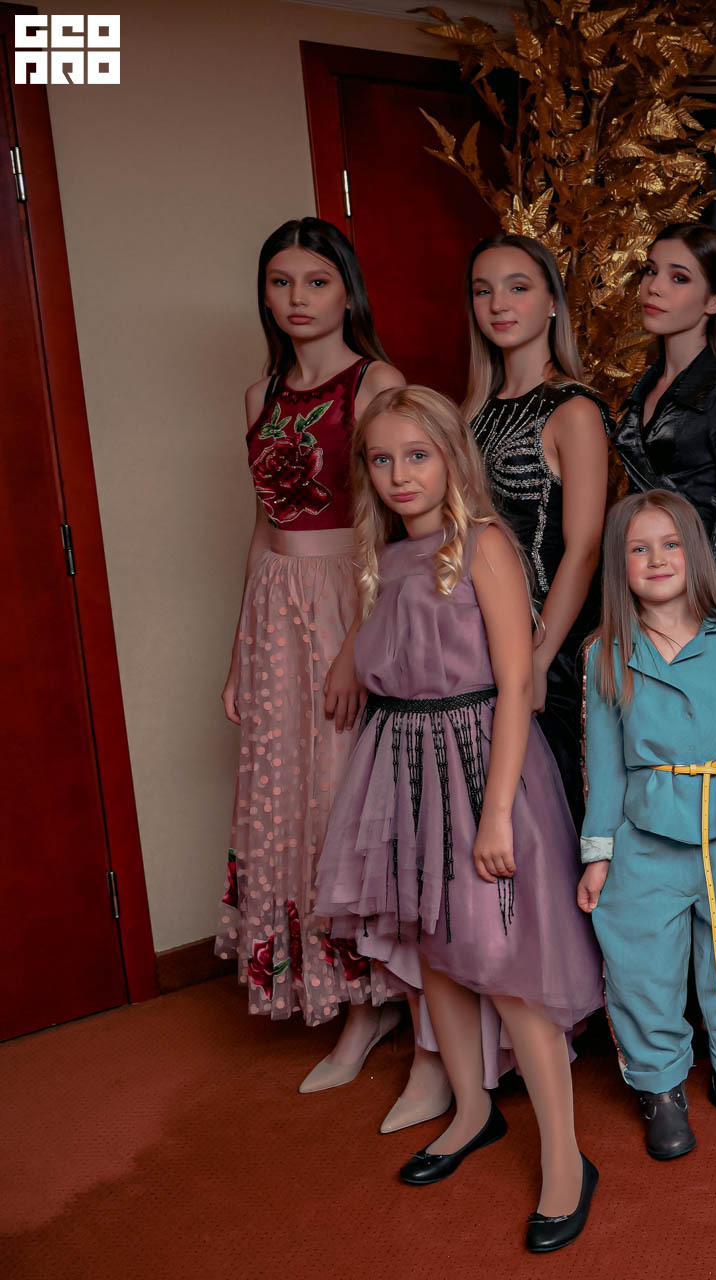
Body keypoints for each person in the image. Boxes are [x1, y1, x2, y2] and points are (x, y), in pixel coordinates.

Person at [313, 385, 602, 1253]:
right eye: (381, 459)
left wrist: (497, 813)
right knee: (433, 944)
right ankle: (473, 1110)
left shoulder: (484, 543)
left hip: (482, 764)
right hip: (401, 761)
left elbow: (517, 684)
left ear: (451, 458)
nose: (399, 475)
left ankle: (566, 1159)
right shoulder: (387, 555)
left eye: (417, 455)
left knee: (505, 961)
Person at [217, 217, 417, 1096]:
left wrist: (358, 648)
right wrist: (240, 653)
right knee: (289, 794)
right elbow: (263, 527)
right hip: (277, 608)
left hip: (349, 595)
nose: (297, 298)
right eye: (281, 282)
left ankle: (374, 1003)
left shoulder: (376, 383)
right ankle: (336, 994)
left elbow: (389, 521)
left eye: (316, 281)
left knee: (345, 796)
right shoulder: (258, 393)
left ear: (347, 291)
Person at [576, 491, 716, 1160]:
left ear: (694, 551)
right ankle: (660, 1086)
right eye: (638, 548)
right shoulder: (605, 653)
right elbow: (603, 765)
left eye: (670, 544)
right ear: (619, 564)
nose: (656, 559)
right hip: (645, 843)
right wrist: (598, 853)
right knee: (643, 968)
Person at [463, 233, 607, 825]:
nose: (498, 303)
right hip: (476, 639)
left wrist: (540, 658)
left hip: (551, 643)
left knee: (554, 816)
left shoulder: (574, 409)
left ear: (551, 303)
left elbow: (585, 548)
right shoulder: (469, 413)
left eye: (517, 288)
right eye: (483, 291)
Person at [609, 224, 716, 615]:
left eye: (679, 278)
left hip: (709, 606)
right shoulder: (642, 389)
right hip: (642, 599)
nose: (654, 287)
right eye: (650, 271)